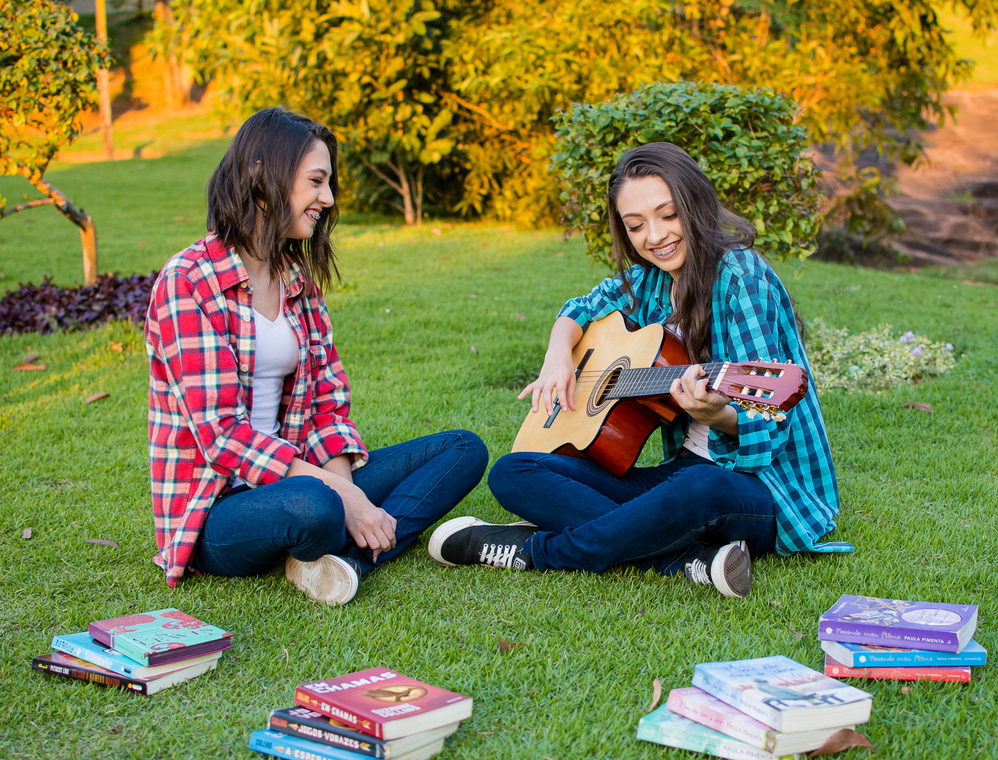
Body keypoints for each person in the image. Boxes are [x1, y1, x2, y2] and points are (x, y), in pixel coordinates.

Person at [427, 141, 850, 598]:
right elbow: (582, 307)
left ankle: (534, 551)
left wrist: (716, 417)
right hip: (684, 471)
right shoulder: (651, 278)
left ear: (695, 203)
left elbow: (771, 427)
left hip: (763, 490)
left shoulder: (739, 274)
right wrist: (557, 355)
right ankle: (681, 559)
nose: (655, 236)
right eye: (636, 225)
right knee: (514, 471)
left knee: (698, 487)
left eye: (668, 215)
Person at [145, 108, 487, 605]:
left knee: (463, 449)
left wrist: (346, 489)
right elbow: (222, 434)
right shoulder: (189, 282)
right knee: (318, 507)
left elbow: (327, 403)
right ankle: (341, 538)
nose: (327, 199)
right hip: (219, 510)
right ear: (263, 176)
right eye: (316, 181)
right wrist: (345, 498)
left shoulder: (297, 281)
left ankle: (342, 564)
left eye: (327, 184)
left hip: (306, 478)